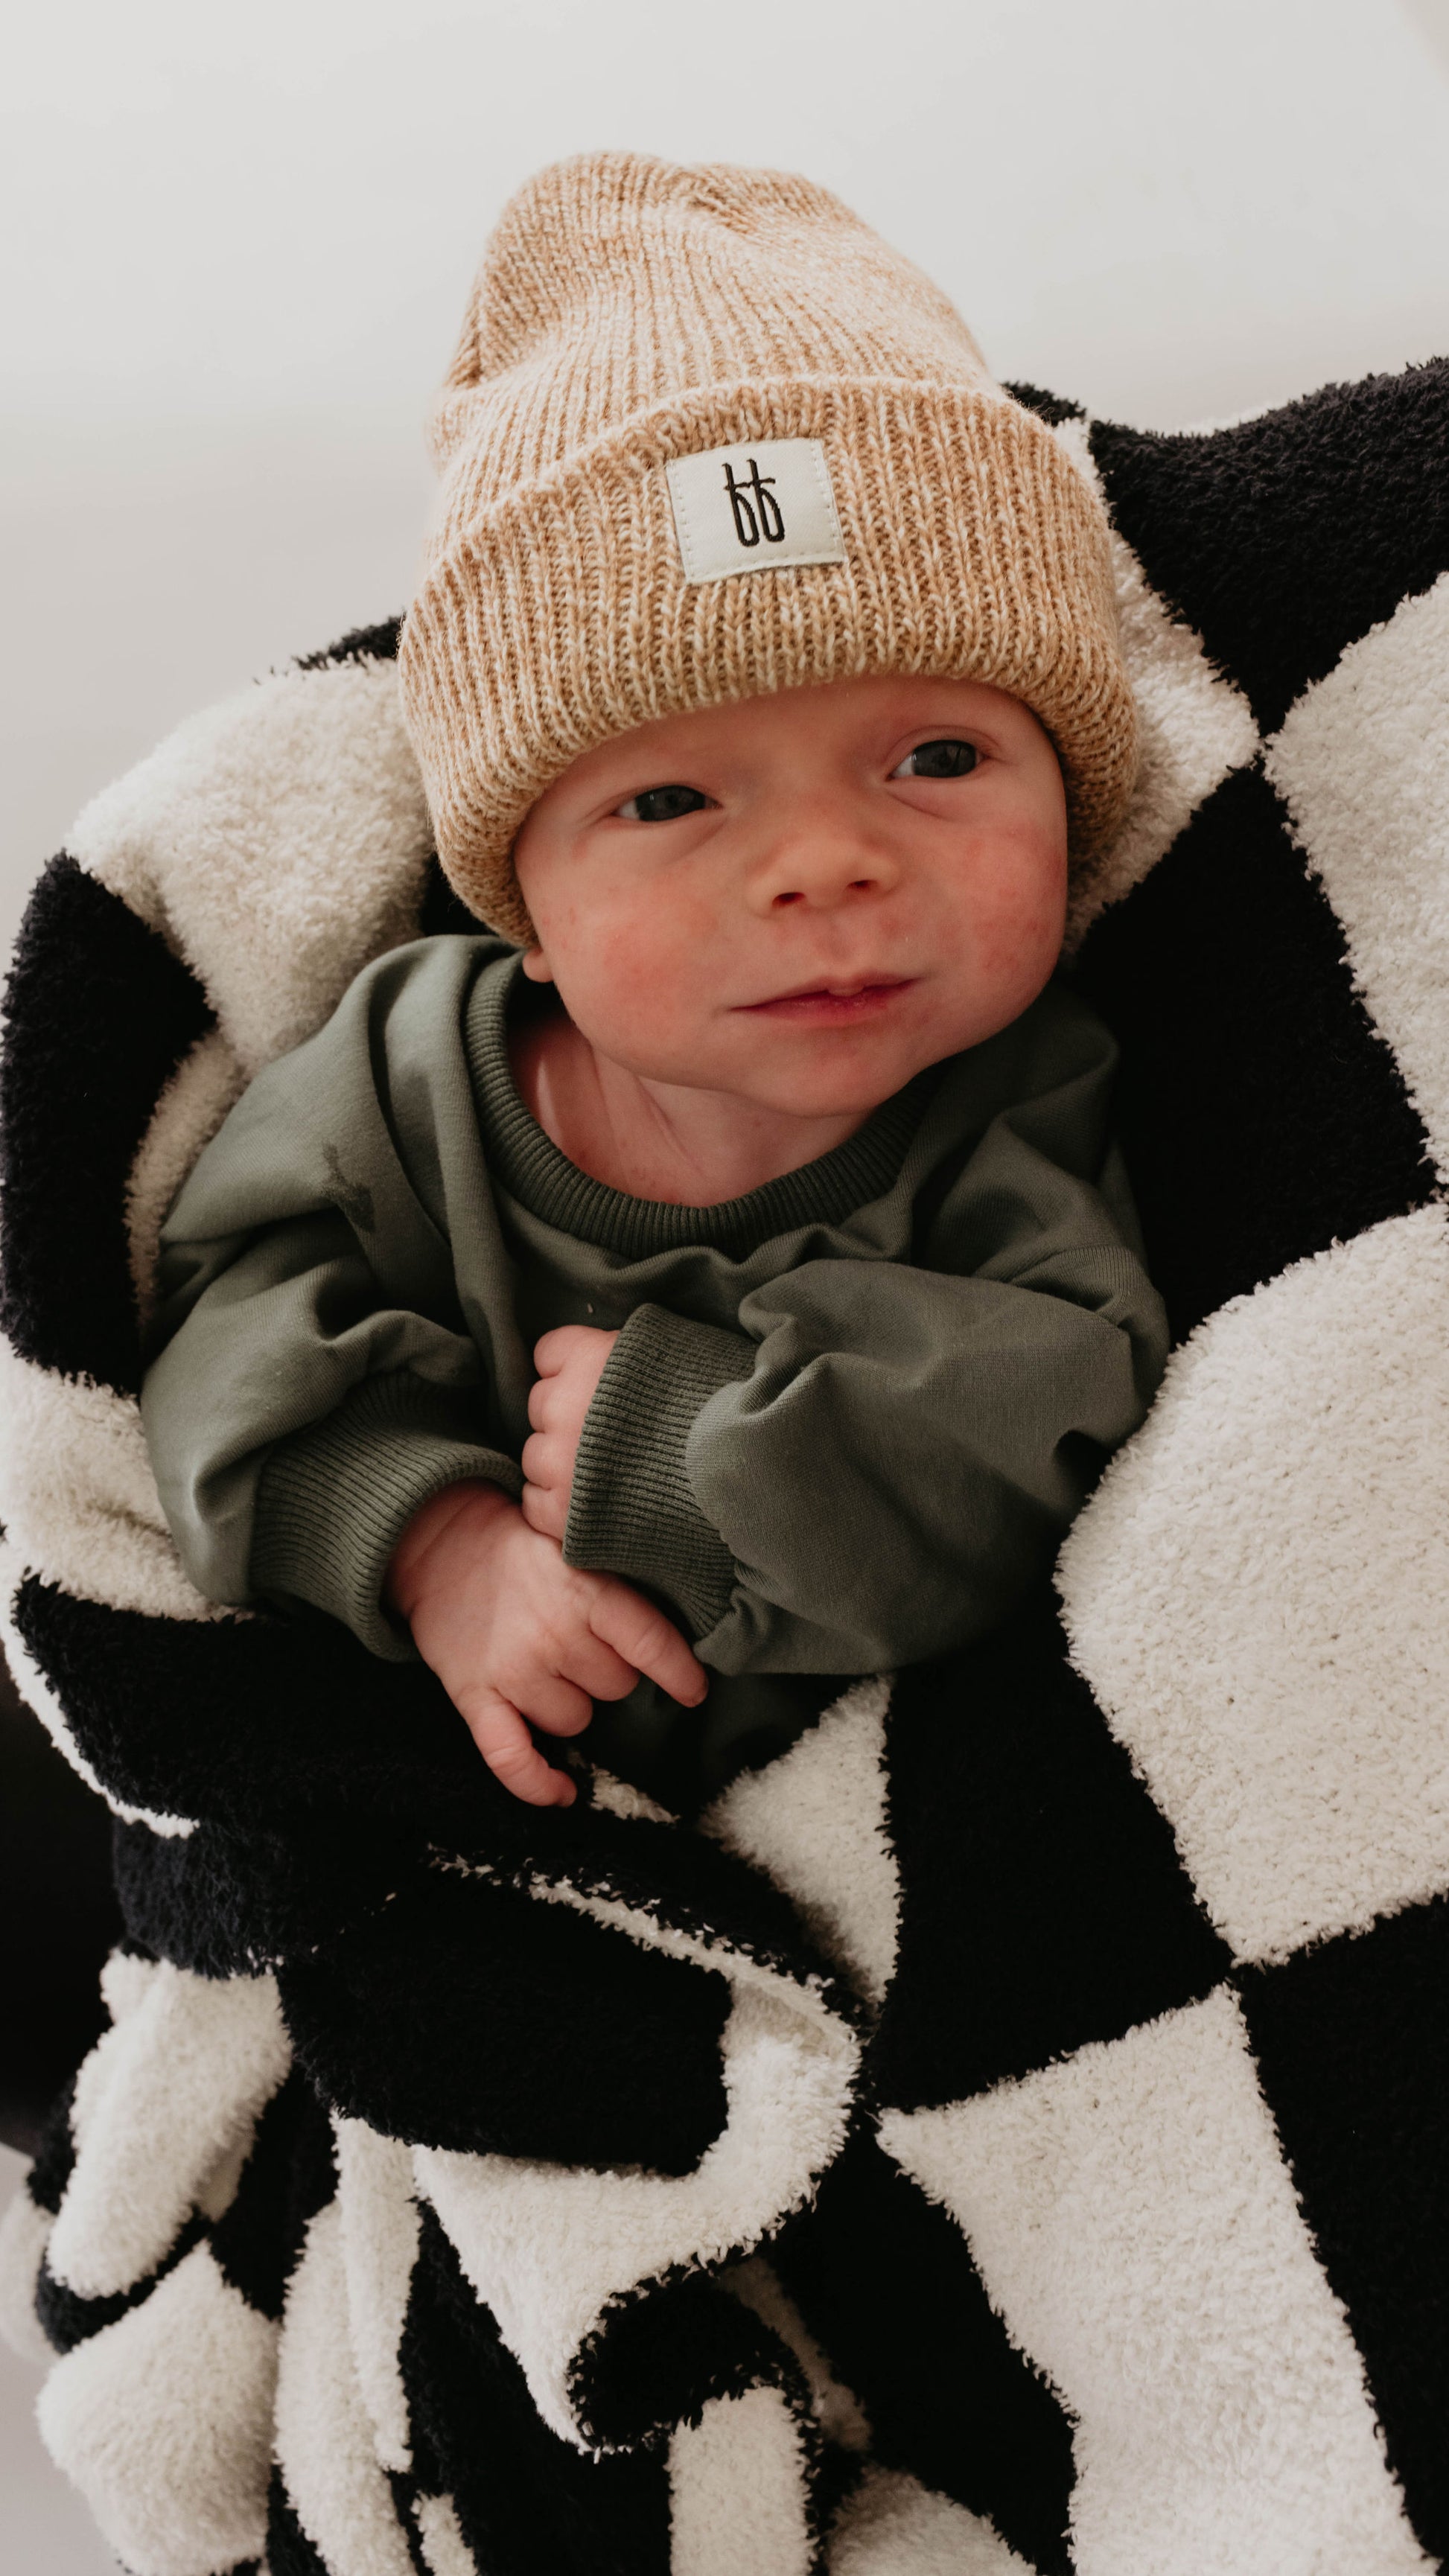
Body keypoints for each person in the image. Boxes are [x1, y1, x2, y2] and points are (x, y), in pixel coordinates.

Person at [141, 150, 1168, 1813]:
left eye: (933, 753)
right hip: (464, 1825)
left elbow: (1050, 1435)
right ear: (518, 901)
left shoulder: (1029, 1093)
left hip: (914, 1821)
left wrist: (702, 1450)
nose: (825, 862)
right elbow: (218, 1353)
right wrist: (436, 1540)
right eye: (673, 799)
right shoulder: (405, 1085)